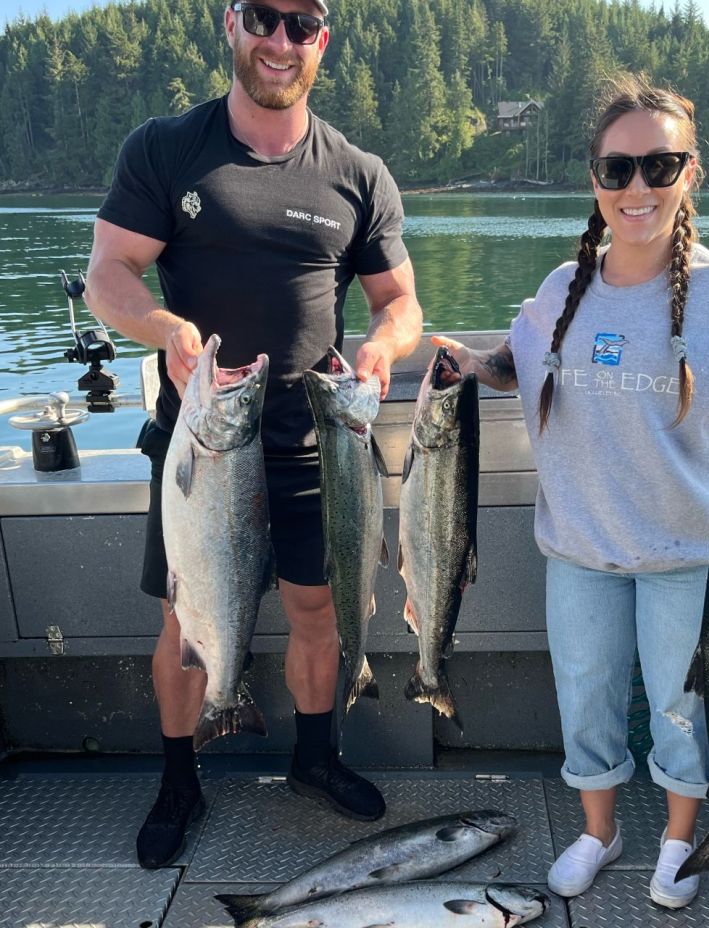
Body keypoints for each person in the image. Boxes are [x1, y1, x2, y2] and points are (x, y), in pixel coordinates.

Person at [433, 74, 709, 909]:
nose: (638, 188)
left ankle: (683, 842)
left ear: (690, 174)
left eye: (661, 166)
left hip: (695, 559)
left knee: (686, 712)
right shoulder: (558, 292)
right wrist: (476, 368)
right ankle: (599, 830)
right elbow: (522, 366)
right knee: (586, 706)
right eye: (617, 170)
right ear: (594, 180)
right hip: (578, 551)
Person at [85, 0, 423, 870]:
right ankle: (179, 779)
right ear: (231, 24)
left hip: (320, 446)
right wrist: (165, 332)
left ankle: (315, 757)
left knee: (317, 609)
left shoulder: (357, 172)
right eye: (265, 19)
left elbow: (399, 304)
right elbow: (110, 275)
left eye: (301, 26)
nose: (281, 42)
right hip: (202, 443)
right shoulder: (166, 148)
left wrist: (384, 350)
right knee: (184, 621)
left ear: (322, 42)